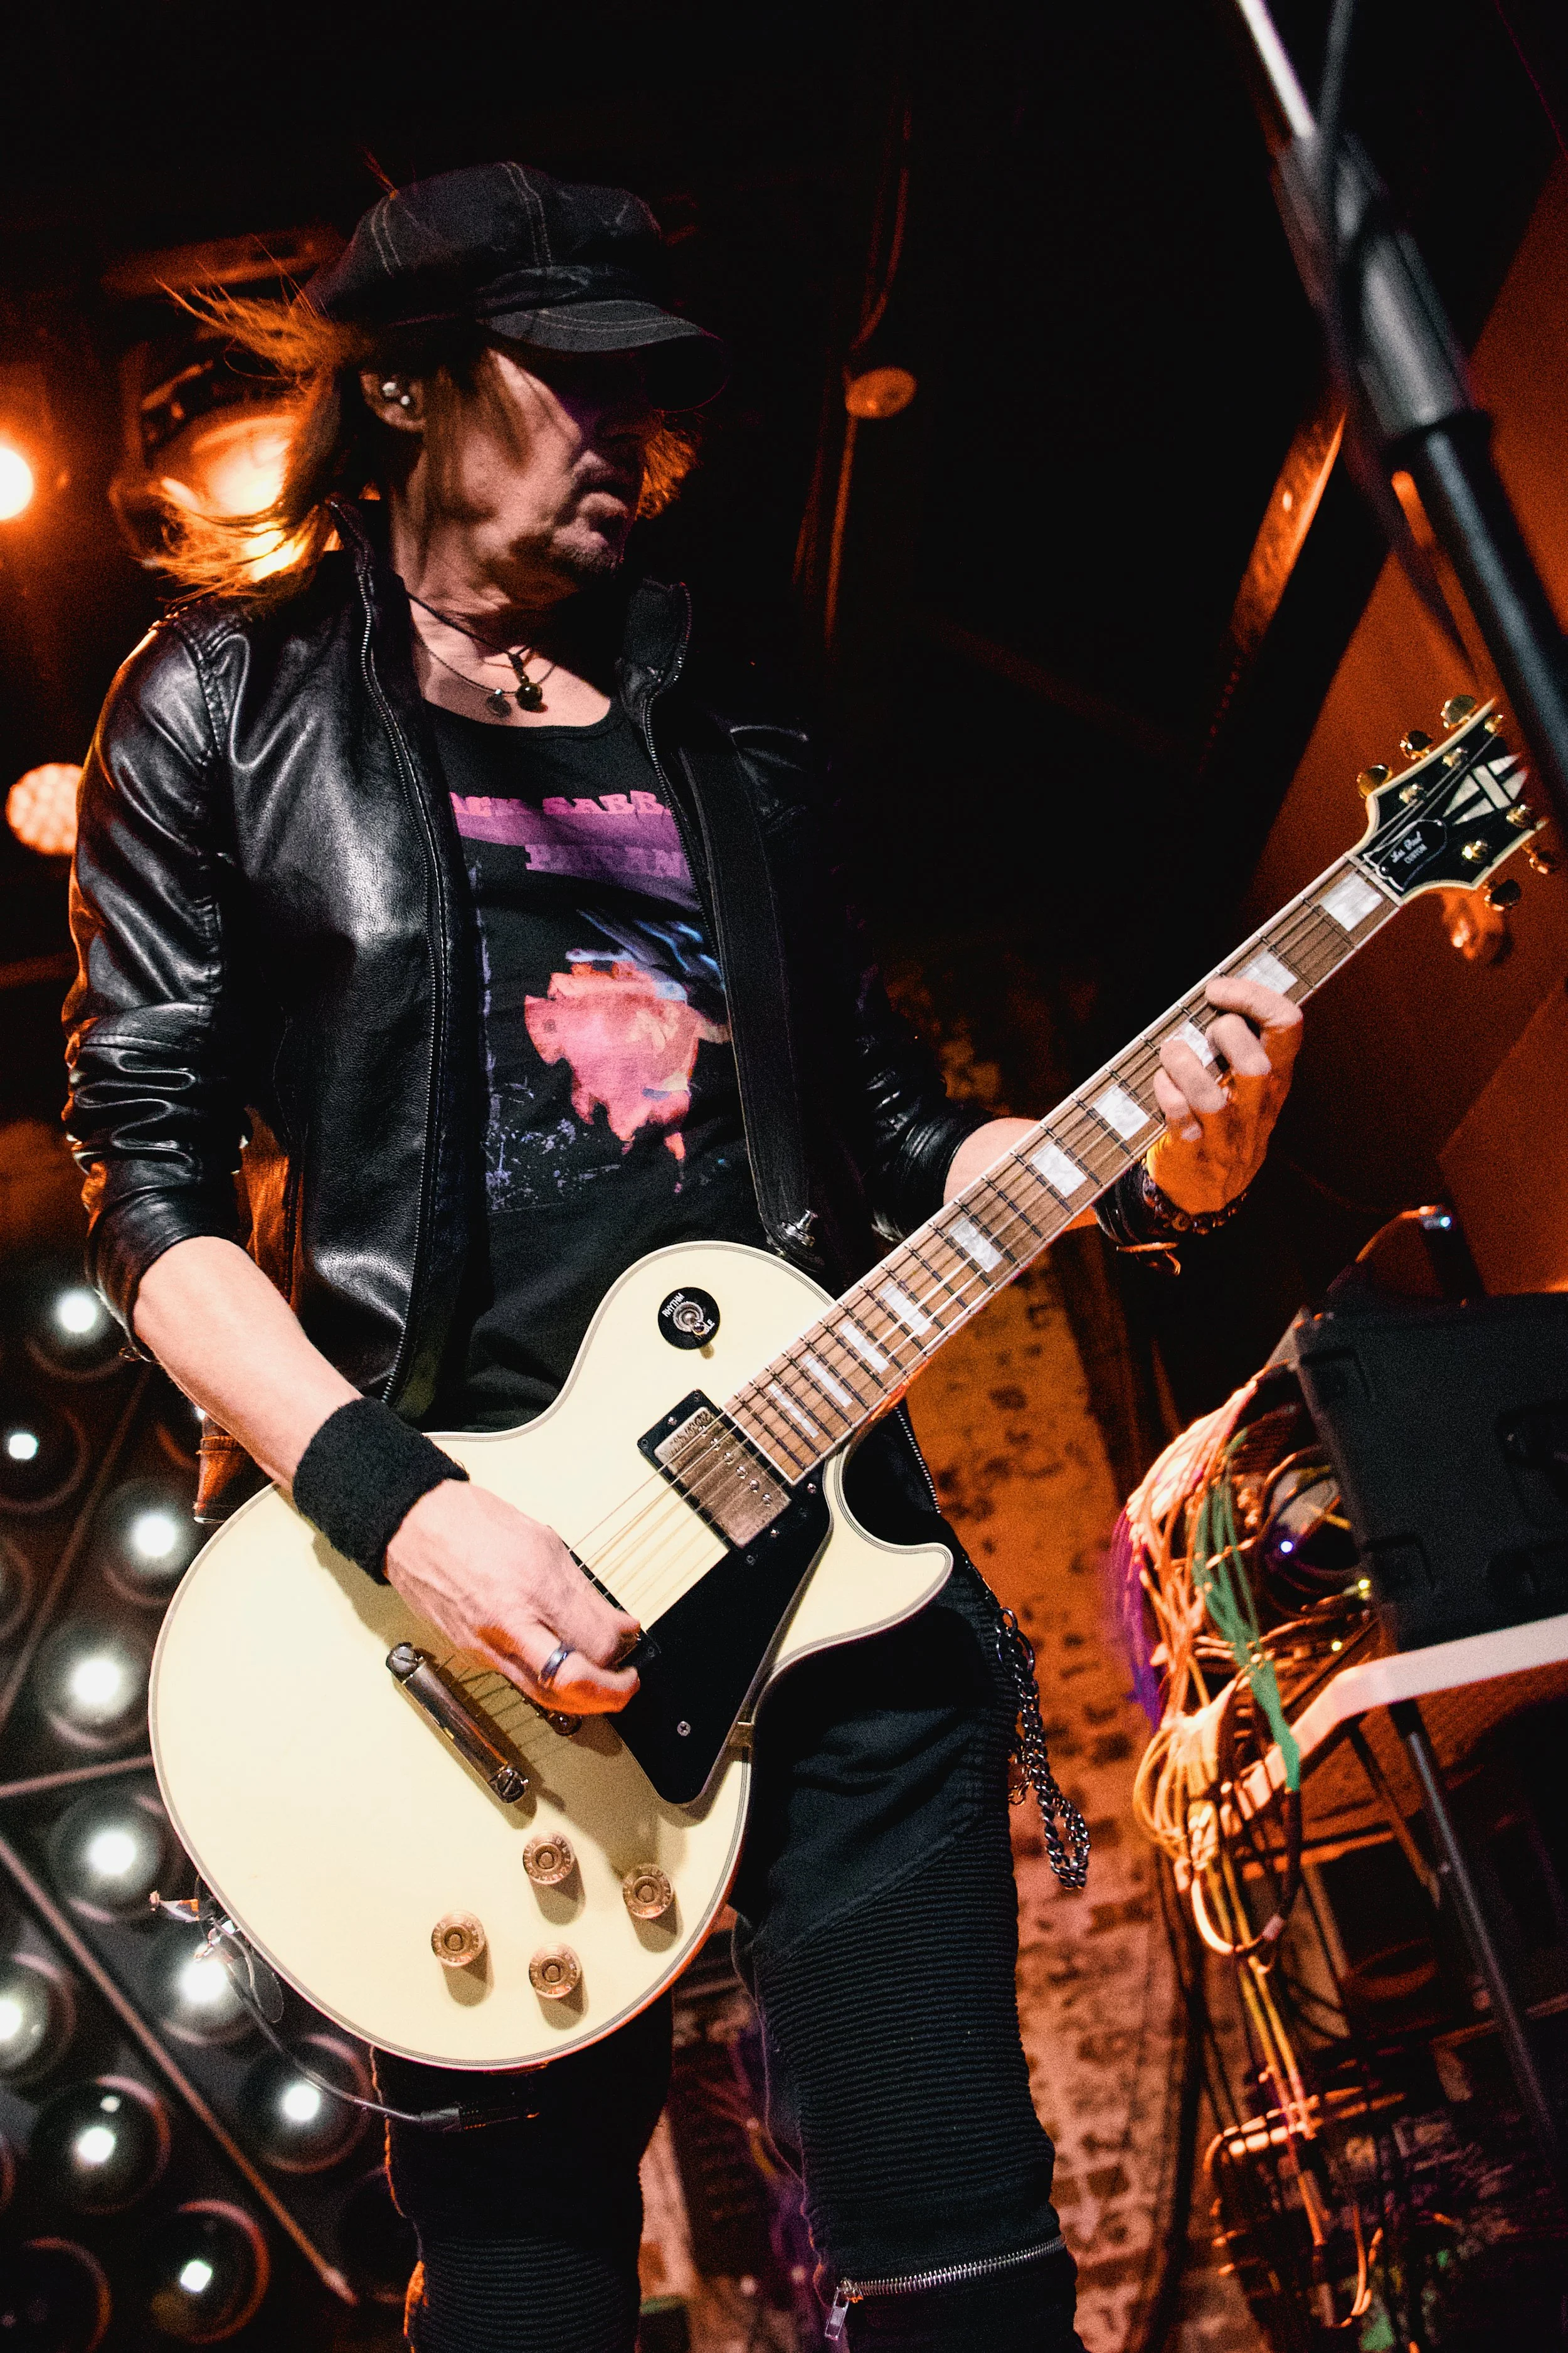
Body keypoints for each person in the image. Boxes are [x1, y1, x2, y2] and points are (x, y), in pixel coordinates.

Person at [64, 162, 1301, 2353]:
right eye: (590, 385)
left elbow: (891, 1115)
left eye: (671, 394)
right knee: (527, 2276)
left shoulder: (724, 695)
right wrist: (410, 1515)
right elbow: (146, 1190)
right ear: (424, 385)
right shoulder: (223, 706)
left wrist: (1148, 1157)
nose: (644, 439)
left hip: (831, 1564)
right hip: (447, 1591)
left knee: (973, 2258)